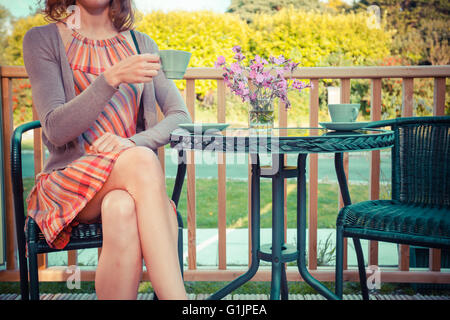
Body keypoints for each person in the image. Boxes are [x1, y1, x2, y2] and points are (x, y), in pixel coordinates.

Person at [22, 0, 191, 300]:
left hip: (128, 181)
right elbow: (55, 129)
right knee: (141, 161)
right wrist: (110, 78)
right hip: (69, 181)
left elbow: (180, 117)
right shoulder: (42, 40)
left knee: (121, 207)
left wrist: (133, 142)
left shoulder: (142, 44)